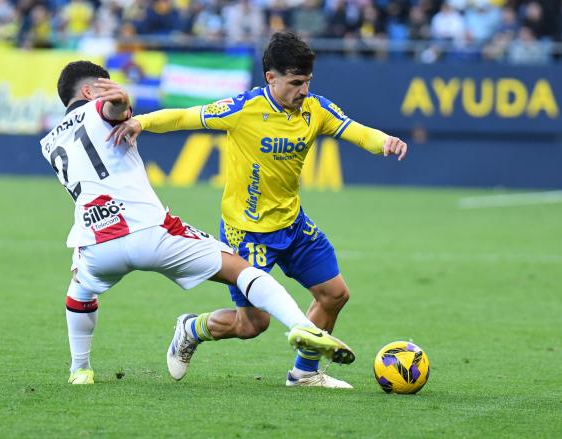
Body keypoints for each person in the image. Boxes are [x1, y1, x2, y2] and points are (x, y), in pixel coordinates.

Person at [108, 31, 408, 389]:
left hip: (293, 225)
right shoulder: (244, 109)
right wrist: (142, 122)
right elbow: (187, 117)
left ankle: (304, 374)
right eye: (296, 82)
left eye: (308, 81)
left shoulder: (316, 110)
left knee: (334, 294)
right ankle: (190, 328)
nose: (304, 91)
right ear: (271, 77)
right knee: (252, 325)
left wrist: (383, 142)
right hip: (247, 232)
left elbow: (356, 131)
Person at [40, 60, 354, 385]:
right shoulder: (101, 110)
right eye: (105, 86)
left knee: (79, 290)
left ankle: (80, 370)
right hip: (150, 232)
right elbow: (113, 111)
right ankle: (301, 326)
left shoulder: (50, 142)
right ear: (91, 91)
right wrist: (118, 100)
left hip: (95, 242)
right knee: (239, 269)